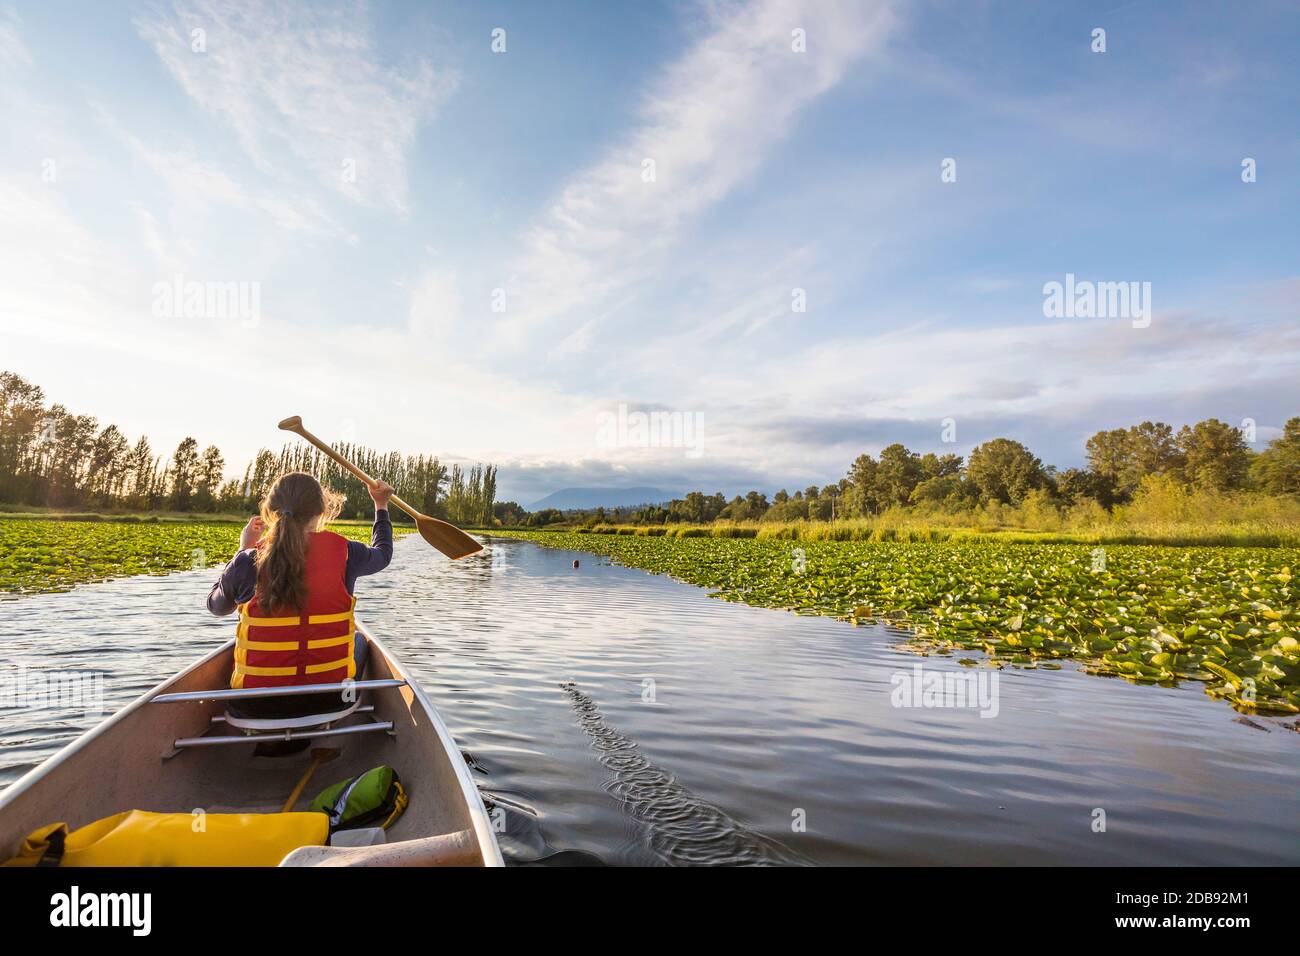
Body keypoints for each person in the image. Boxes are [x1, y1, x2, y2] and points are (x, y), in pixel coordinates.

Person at [207, 472, 394, 712]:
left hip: (252, 705)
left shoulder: (248, 559)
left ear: (270, 510)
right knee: (358, 640)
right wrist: (381, 505)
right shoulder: (348, 553)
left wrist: (242, 550)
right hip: (332, 700)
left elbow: (217, 608)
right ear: (322, 510)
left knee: (239, 646)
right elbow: (383, 553)